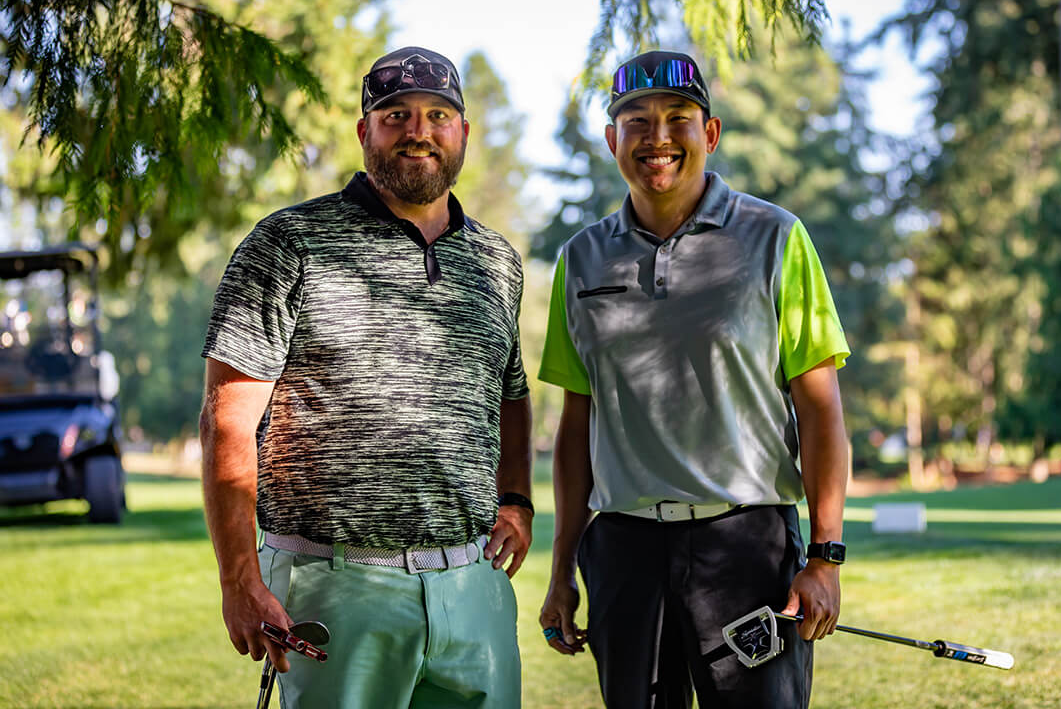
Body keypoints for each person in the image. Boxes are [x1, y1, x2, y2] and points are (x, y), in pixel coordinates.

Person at [199, 46, 534, 709]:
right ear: (364, 132)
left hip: (472, 593)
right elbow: (226, 418)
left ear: (463, 133)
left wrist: (517, 499)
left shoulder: (498, 261)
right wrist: (238, 577)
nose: (419, 130)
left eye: (439, 115)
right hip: (334, 589)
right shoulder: (289, 241)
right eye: (396, 115)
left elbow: (510, 390)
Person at [537, 50, 851, 709]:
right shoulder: (581, 258)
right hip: (622, 551)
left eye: (678, 117)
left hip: (747, 547)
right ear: (611, 140)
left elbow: (820, 411)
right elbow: (576, 426)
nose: (657, 137)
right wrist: (563, 569)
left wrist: (824, 556)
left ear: (708, 133)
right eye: (636, 120)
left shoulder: (776, 238)